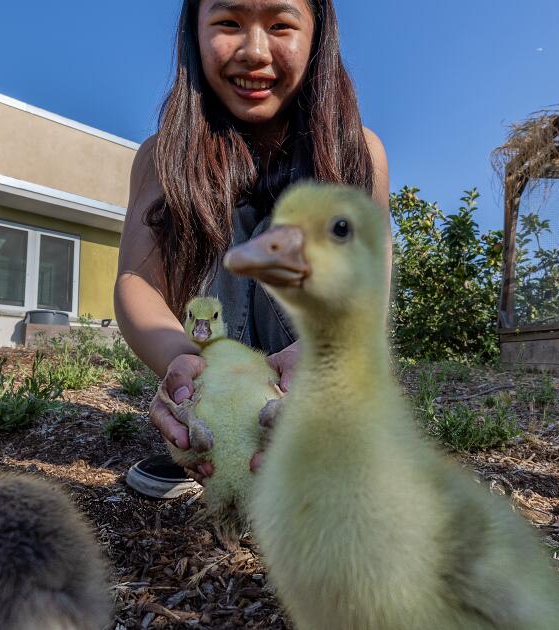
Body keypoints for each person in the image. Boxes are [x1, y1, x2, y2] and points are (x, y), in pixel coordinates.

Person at [115, 0, 389, 498]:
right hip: (211, 361)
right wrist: (185, 367)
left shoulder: (358, 152)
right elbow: (139, 281)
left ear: (318, 36)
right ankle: (211, 429)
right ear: (194, 34)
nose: (254, 51)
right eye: (228, 23)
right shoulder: (162, 157)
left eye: (281, 24)